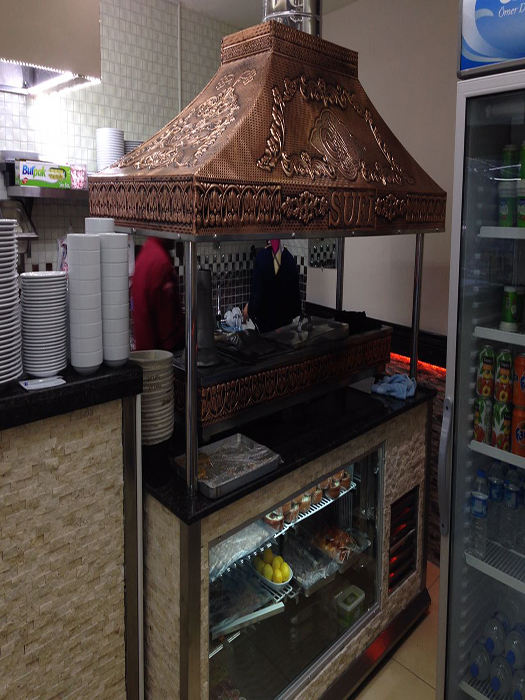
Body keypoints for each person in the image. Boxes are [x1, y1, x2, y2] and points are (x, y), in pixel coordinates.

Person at [132, 237, 184, 351]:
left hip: (144, 352)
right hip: (158, 356)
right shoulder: (161, 262)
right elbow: (168, 328)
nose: (176, 238)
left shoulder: (147, 251)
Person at [243, 239, 301, 333]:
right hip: (286, 331)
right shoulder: (289, 257)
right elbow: (296, 305)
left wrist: (249, 309)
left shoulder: (262, 257)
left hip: (267, 330)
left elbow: (256, 301)